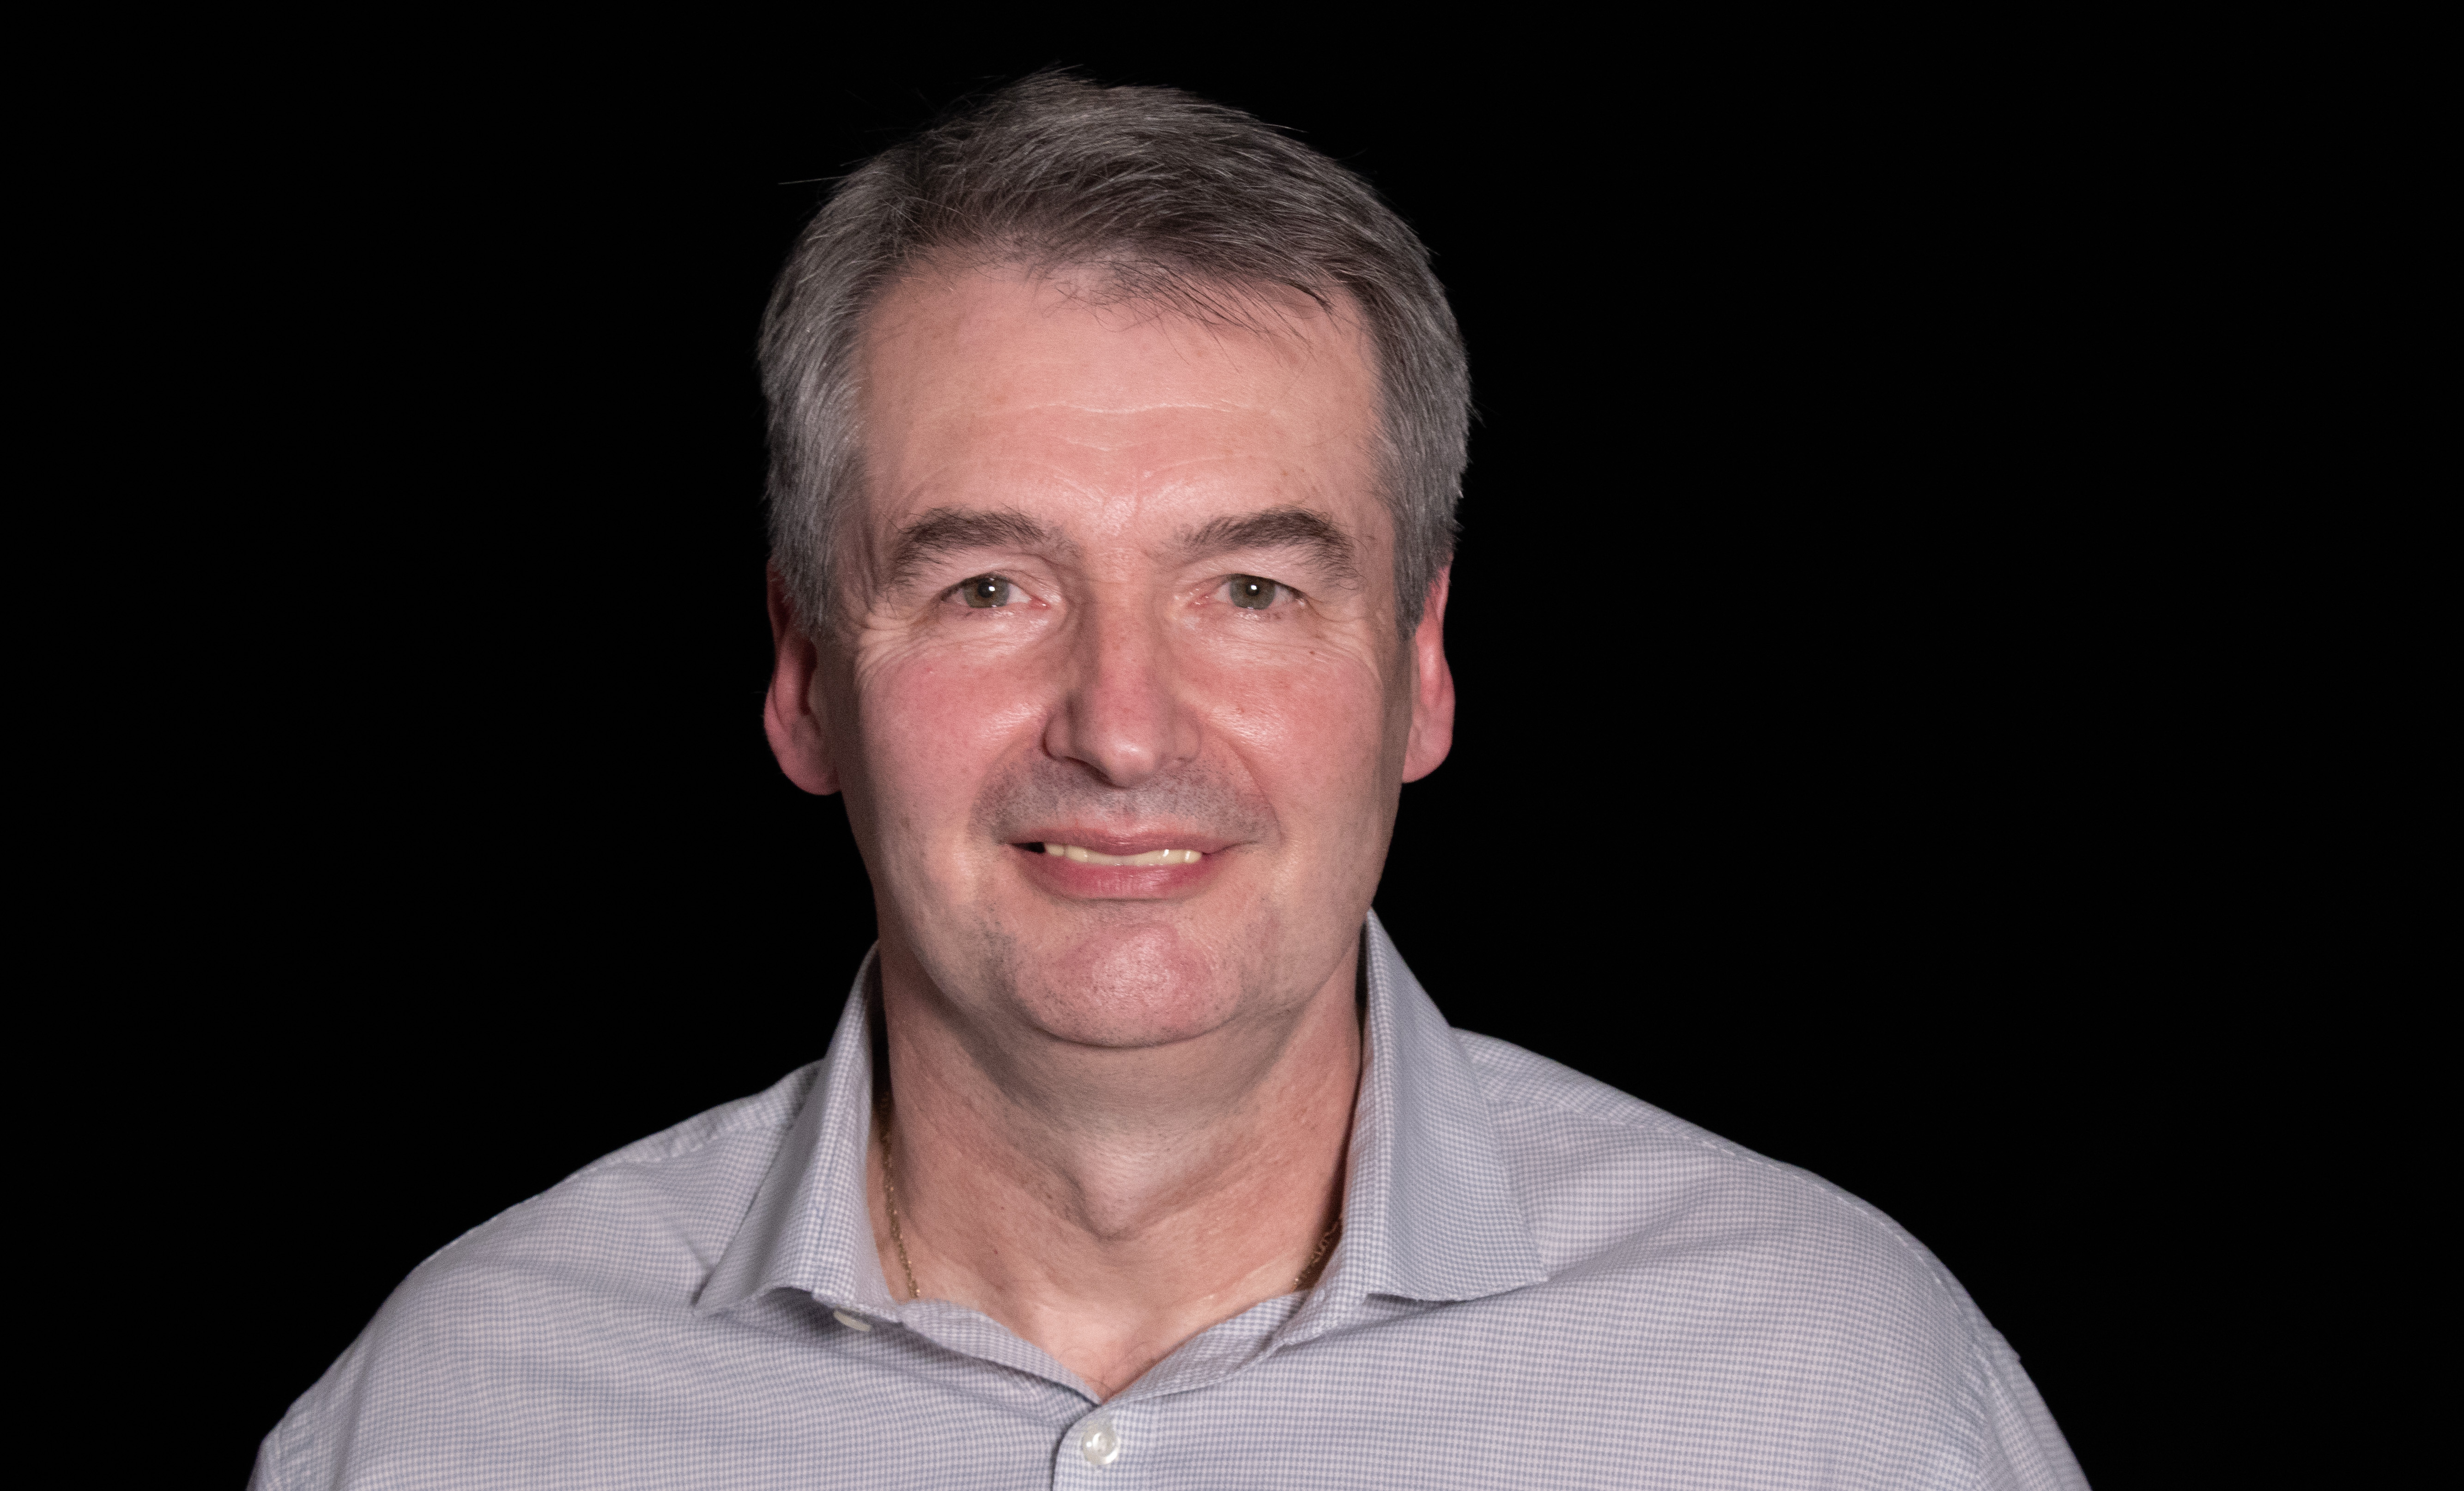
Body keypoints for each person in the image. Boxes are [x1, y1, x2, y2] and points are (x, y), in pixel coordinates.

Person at [252, 73, 2087, 1490]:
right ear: (806, 677)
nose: (1122, 729)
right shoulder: (453, 1421)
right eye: (990, 587)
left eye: (1251, 590)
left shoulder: (1841, 1404)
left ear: (1420, 671)